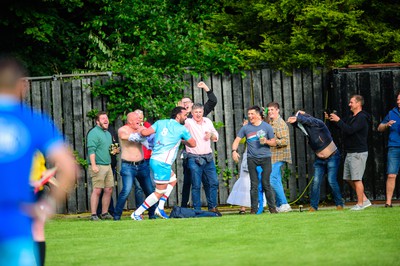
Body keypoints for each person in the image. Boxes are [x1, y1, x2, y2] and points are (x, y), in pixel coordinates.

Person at [0, 55, 76, 265]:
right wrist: (49, 205)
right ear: (21, 85)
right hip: (15, 219)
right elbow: (69, 167)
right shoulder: (32, 120)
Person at [131, 107, 196, 220]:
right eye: (185, 115)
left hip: (155, 159)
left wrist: (140, 129)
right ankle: (137, 213)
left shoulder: (160, 122)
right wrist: (182, 139)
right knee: (159, 192)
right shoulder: (182, 129)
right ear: (178, 115)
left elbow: (145, 132)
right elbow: (193, 144)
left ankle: (160, 208)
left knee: (173, 180)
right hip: (163, 163)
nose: (186, 117)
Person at [287, 111, 344, 211]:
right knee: (316, 182)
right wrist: (294, 120)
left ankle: (339, 204)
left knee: (331, 180)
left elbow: (309, 119)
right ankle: (313, 206)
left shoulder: (318, 123)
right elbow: (299, 124)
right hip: (319, 160)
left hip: (332, 156)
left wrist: (300, 116)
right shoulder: (306, 129)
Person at [327, 95, 372, 211]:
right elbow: (342, 127)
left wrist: (339, 121)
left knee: (357, 179)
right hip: (350, 152)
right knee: (348, 178)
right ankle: (365, 200)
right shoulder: (352, 117)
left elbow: (350, 130)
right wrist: (331, 120)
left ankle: (360, 204)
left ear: (358, 104)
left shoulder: (362, 117)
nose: (349, 104)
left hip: (358, 153)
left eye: (351, 102)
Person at [231, 105, 277, 214]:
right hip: (252, 159)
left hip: (265, 158)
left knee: (266, 183)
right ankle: (253, 210)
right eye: (249, 114)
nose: (250, 116)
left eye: (252, 114)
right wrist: (234, 151)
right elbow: (237, 140)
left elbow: (274, 142)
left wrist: (266, 141)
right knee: (254, 184)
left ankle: (272, 209)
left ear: (258, 115)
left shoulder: (267, 127)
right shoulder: (245, 128)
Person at [180, 81, 217, 208]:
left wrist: (206, 88)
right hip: (191, 156)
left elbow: (212, 101)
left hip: (207, 156)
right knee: (190, 183)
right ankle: (188, 208)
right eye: (183, 103)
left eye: (187, 102)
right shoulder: (186, 120)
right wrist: (184, 141)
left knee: (210, 183)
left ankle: (212, 207)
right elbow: (176, 127)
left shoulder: (205, 118)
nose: (185, 104)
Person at [114, 111, 156, 220]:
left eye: (140, 119)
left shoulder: (141, 129)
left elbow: (149, 136)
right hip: (128, 166)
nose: (139, 121)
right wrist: (139, 136)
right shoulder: (123, 129)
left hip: (142, 165)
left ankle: (152, 214)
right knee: (126, 190)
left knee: (150, 191)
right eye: (137, 119)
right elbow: (124, 136)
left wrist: (148, 138)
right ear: (130, 121)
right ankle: (117, 216)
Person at [185, 103, 221, 215]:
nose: (198, 114)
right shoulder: (189, 122)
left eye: (200, 112)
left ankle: (213, 207)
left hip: (208, 157)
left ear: (202, 112)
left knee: (213, 182)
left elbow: (216, 135)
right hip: (194, 157)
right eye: (196, 112)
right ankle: (197, 210)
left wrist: (211, 135)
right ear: (192, 113)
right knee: (196, 184)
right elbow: (179, 128)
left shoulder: (207, 121)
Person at [267, 102, 292, 212]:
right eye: (269, 110)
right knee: (276, 180)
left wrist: (272, 142)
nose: (270, 112)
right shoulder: (271, 123)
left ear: (278, 110)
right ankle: (280, 205)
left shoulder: (280, 123)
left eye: (272, 110)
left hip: (279, 156)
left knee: (272, 179)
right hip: (273, 156)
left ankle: (285, 204)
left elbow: (285, 141)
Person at [377, 91, 400, 207]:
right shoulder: (391, 113)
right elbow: (379, 128)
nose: (398, 102)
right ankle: (388, 202)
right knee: (391, 175)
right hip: (394, 147)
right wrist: (386, 125)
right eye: (397, 100)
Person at [96, 124, 119, 217]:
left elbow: (115, 145)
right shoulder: (95, 133)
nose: (106, 121)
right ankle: (97, 212)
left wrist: (117, 150)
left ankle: (108, 211)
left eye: (107, 119)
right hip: (100, 164)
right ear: (97, 121)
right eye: (103, 119)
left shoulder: (112, 131)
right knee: (99, 189)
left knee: (108, 189)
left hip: (111, 164)